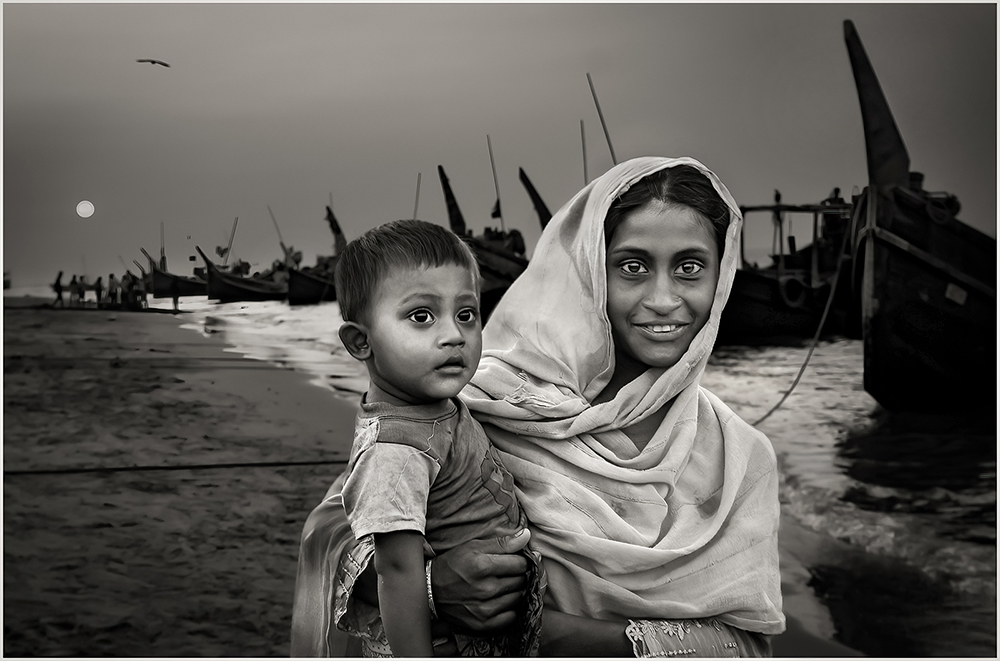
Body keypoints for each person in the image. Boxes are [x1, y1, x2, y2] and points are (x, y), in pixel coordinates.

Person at [292, 157, 785, 657]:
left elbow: (743, 645)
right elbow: (336, 528)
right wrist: (432, 584)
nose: (663, 298)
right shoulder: (480, 403)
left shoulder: (741, 457)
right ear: (588, 272)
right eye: (632, 267)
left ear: (721, 277)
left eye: (690, 267)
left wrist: (541, 631)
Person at [330, 219, 544, 656]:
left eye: (466, 314)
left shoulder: (433, 407)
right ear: (360, 342)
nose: (453, 336)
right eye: (421, 316)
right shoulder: (395, 451)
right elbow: (398, 572)